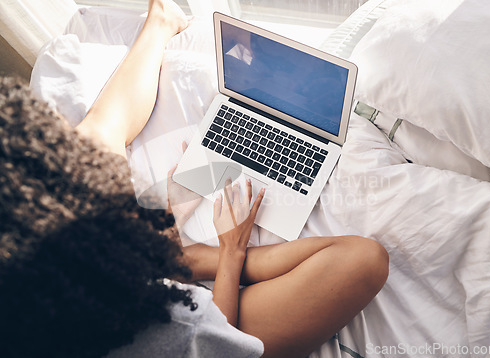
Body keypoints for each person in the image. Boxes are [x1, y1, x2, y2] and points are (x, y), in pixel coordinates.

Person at [0, 1, 389, 357]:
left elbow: (100, 134)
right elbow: (221, 343)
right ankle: (186, 261)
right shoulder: (174, 327)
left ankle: (159, 24)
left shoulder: (27, 227)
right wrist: (229, 255)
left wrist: (166, 227)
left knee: (97, 135)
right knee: (365, 260)